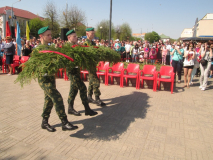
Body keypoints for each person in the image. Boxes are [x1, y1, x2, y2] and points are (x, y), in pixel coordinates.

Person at [37, 26, 78, 132]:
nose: (51, 37)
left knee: (49, 100)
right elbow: (37, 66)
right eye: (48, 35)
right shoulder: (37, 50)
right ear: (41, 36)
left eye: (51, 34)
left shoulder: (51, 48)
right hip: (44, 79)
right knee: (57, 97)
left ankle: (44, 122)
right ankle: (64, 122)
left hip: (51, 78)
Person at [66, 29, 98, 116]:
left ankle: (70, 108)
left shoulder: (76, 46)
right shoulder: (67, 47)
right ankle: (87, 109)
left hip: (76, 71)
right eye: (74, 36)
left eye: (76, 36)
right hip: (71, 72)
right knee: (83, 88)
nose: (76, 38)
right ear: (69, 37)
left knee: (73, 90)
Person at [84, 27, 106, 106]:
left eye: (93, 33)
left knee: (91, 81)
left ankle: (89, 96)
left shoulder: (93, 43)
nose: (93, 35)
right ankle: (97, 98)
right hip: (89, 65)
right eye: (92, 33)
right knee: (96, 81)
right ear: (87, 34)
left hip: (93, 65)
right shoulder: (85, 44)